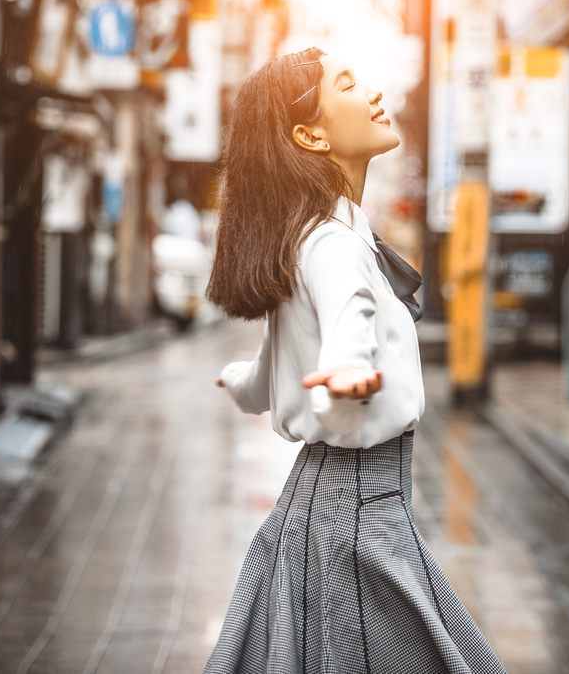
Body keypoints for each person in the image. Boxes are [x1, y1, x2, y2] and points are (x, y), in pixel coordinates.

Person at [203, 48, 506, 673]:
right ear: (310, 135)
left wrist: (242, 384)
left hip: (334, 509)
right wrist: (341, 386)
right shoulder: (333, 244)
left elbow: (269, 374)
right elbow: (347, 337)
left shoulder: (314, 235)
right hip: (359, 512)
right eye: (346, 85)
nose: (371, 92)